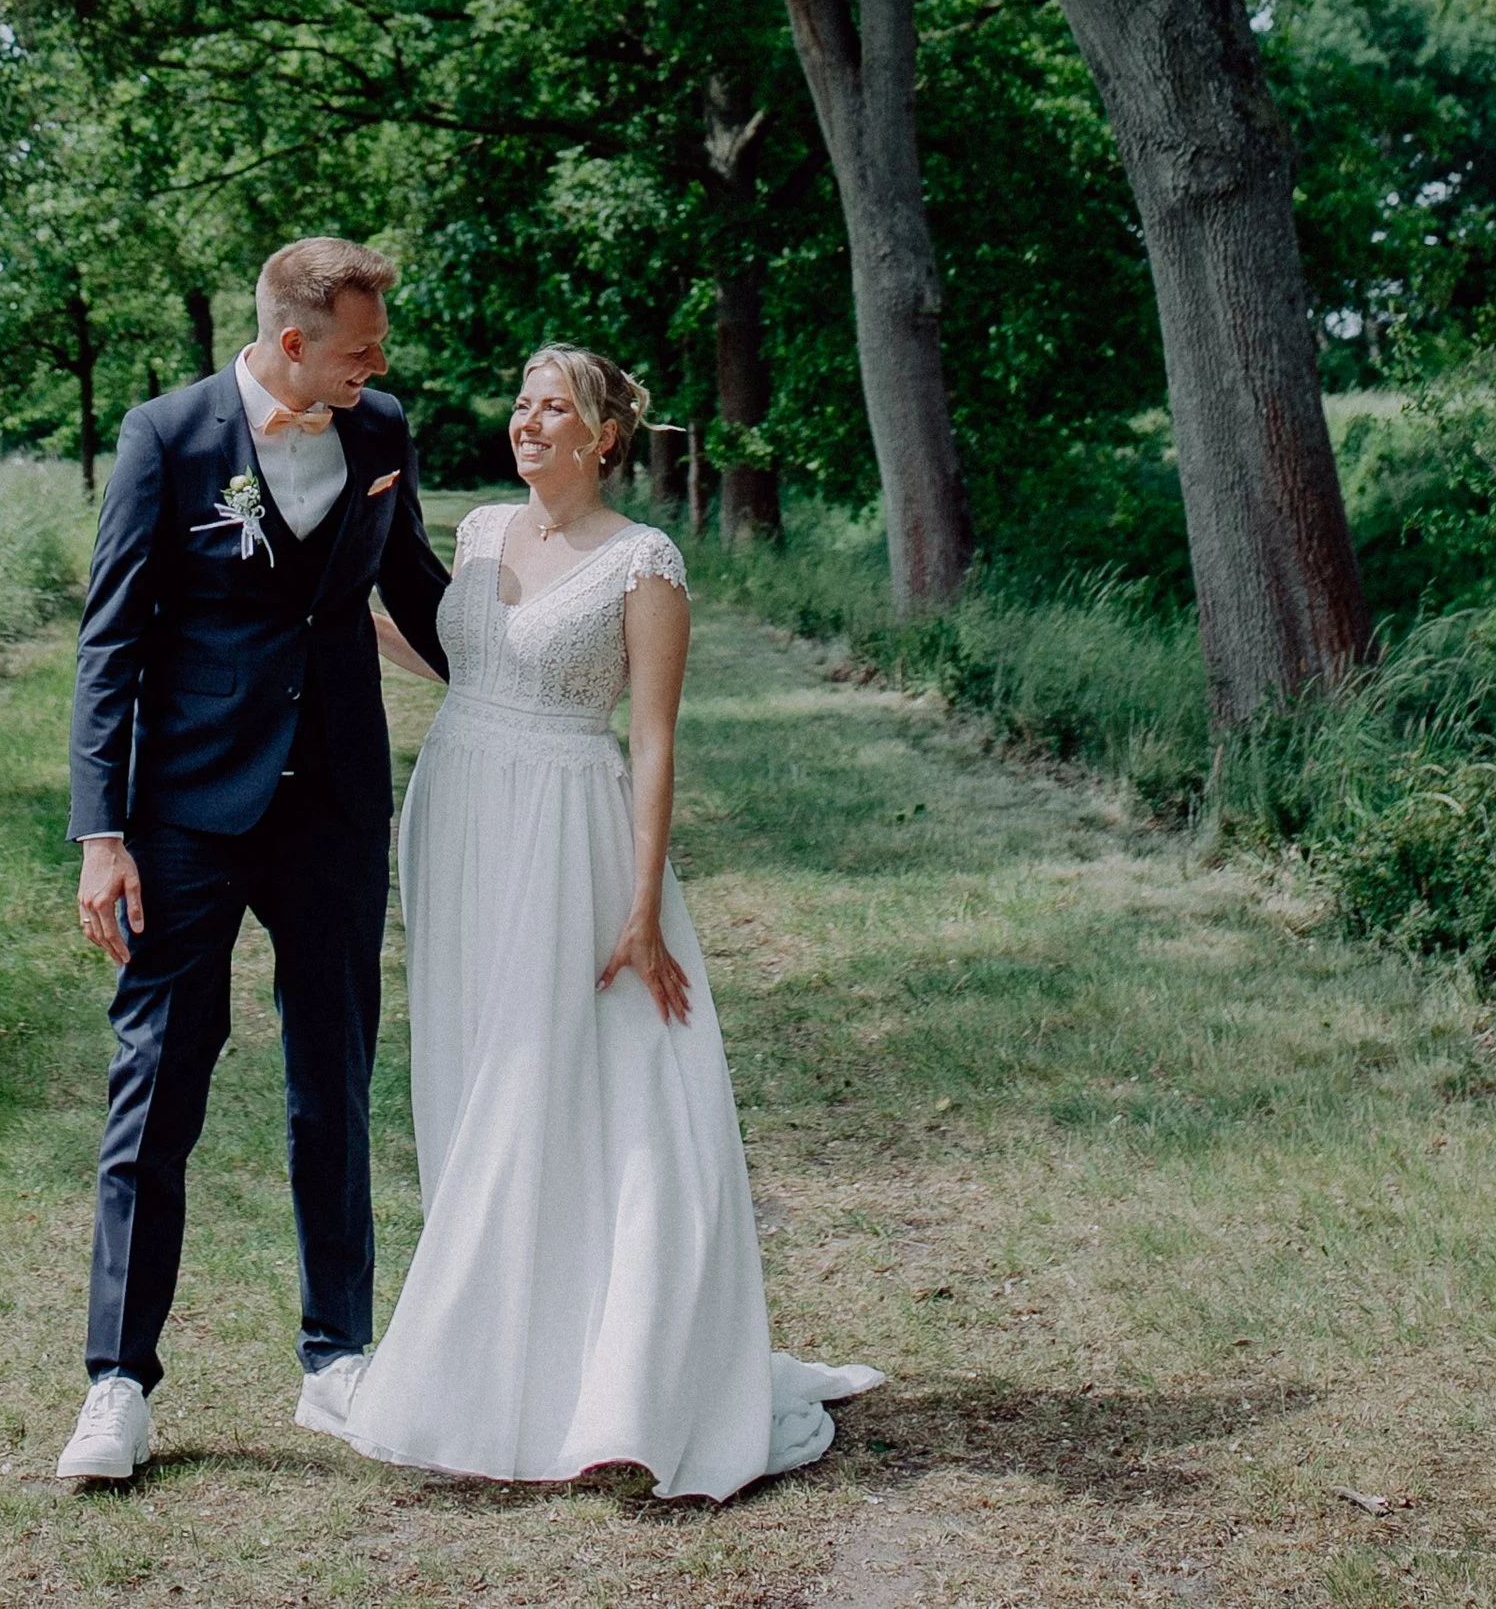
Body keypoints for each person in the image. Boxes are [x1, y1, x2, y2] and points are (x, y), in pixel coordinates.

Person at [331, 341, 880, 1500]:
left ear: (602, 436)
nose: (526, 423)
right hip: (459, 811)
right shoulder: (478, 531)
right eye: (520, 403)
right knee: (476, 1071)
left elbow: (653, 738)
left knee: (560, 1075)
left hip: (568, 834)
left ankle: (606, 1366)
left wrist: (641, 908)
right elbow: (461, 664)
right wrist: (326, 612)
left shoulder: (645, 563)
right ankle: (498, 1334)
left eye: (551, 409)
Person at [54, 236, 450, 1491]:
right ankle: (117, 1383)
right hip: (185, 809)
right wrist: (101, 835)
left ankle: (337, 1355)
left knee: (331, 1076)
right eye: (359, 344)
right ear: (292, 342)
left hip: (334, 800)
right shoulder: (166, 439)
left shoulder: (379, 429)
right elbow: (109, 642)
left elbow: (420, 590)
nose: (378, 364)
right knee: (156, 1082)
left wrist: (537, 683)